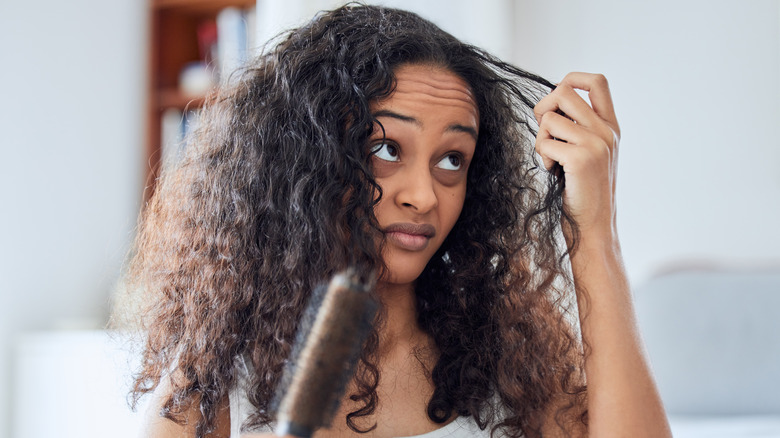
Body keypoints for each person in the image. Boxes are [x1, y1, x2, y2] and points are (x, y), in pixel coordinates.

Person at [125, 4, 671, 438]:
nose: (423, 195)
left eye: (452, 160)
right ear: (309, 160)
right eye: (386, 148)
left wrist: (595, 235)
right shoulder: (213, 384)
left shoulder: (511, 361)